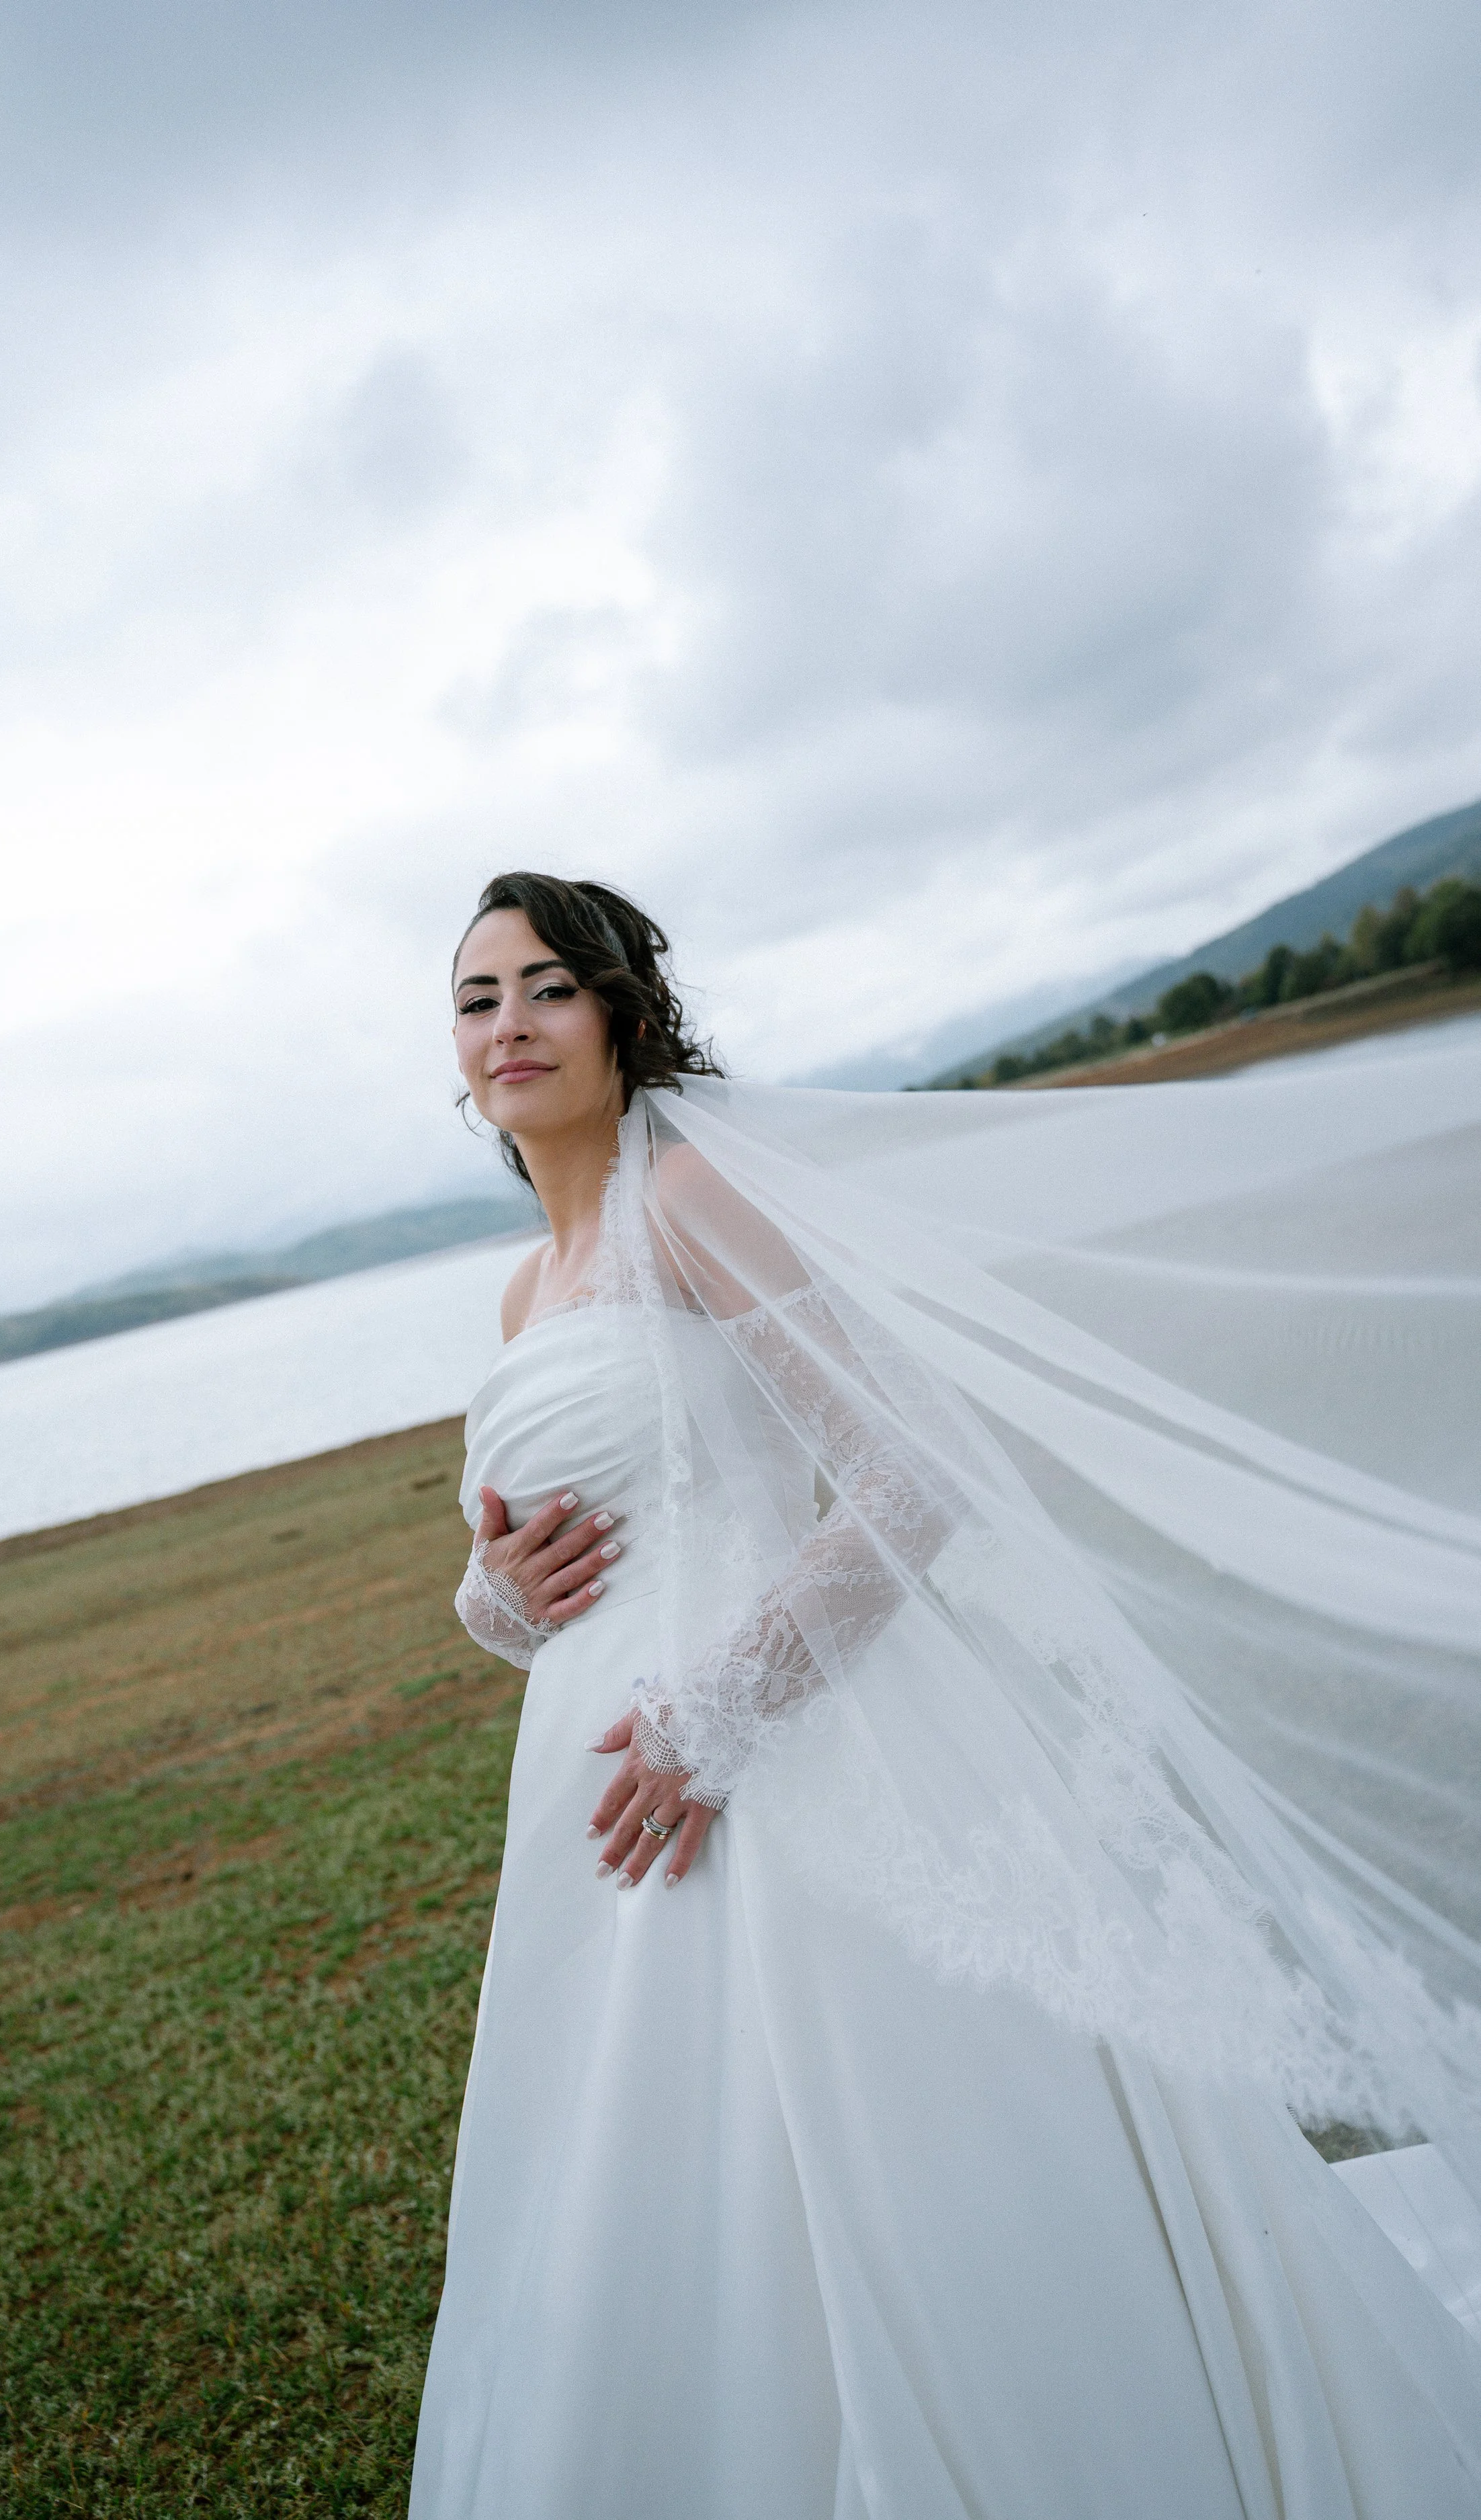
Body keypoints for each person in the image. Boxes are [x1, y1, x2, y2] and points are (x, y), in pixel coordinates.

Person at [409, 870, 1481, 2519]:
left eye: (547, 986)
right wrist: (491, 1592)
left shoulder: (685, 1199)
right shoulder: (517, 1291)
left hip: (793, 1760)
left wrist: (722, 1715)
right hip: (604, 1798)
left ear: (620, 1014)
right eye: (478, 1000)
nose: (510, 1025)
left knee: (882, 2181)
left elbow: (908, 1474)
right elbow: (539, 1591)